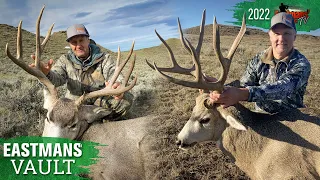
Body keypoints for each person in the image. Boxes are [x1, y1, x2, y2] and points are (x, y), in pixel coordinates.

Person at [209, 12, 311, 114]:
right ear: (270, 36)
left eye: (287, 33)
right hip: (260, 118)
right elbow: (244, 84)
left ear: (294, 36)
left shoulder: (301, 63)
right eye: (276, 33)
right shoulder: (259, 59)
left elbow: (285, 88)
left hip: (294, 121)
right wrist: (220, 87)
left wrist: (243, 94)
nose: (281, 38)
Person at [30, 24, 133, 120]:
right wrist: (46, 73)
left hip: (99, 102)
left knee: (124, 101)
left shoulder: (104, 58)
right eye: (74, 42)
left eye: (81, 40)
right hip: (74, 103)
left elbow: (113, 72)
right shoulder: (65, 60)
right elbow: (57, 79)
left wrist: (117, 85)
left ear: (88, 40)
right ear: (70, 45)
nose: (78, 45)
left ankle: (107, 122)